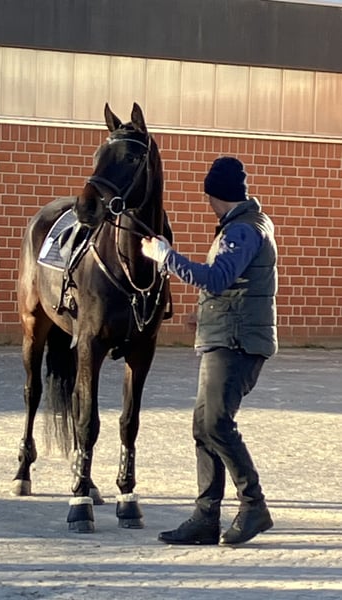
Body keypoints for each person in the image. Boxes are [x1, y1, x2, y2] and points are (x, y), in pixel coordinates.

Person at [141, 156, 278, 545]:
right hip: (227, 335)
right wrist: (204, 315)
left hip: (237, 343)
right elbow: (235, 286)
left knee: (217, 424)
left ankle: (254, 505)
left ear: (215, 194)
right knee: (204, 427)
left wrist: (166, 257)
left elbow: (217, 278)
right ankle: (205, 517)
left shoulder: (243, 230)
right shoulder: (244, 225)